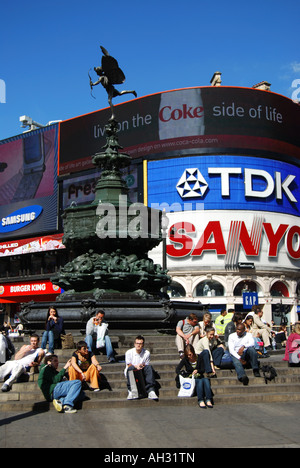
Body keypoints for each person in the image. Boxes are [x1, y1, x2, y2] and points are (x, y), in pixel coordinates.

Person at [176, 344, 213, 408]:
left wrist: (197, 370)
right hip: (191, 378)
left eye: (190, 354)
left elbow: (203, 369)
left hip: (199, 375)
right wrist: (184, 375)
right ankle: (200, 400)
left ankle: (208, 399)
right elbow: (177, 369)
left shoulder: (199, 358)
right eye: (187, 355)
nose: (189, 356)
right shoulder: (185, 359)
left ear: (193, 352)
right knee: (199, 381)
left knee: (206, 380)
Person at [125, 335, 158, 400]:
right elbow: (129, 365)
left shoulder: (147, 353)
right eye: (137, 343)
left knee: (149, 367)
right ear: (134, 344)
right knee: (131, 368)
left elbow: (146, 364)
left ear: (143, 345)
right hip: (132, 370)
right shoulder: (129, 352)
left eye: (140, 343)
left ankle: (151, 390)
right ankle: (131, 391)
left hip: (141, 370)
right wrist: (136, 366)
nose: (138, 345)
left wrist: (141, 366)